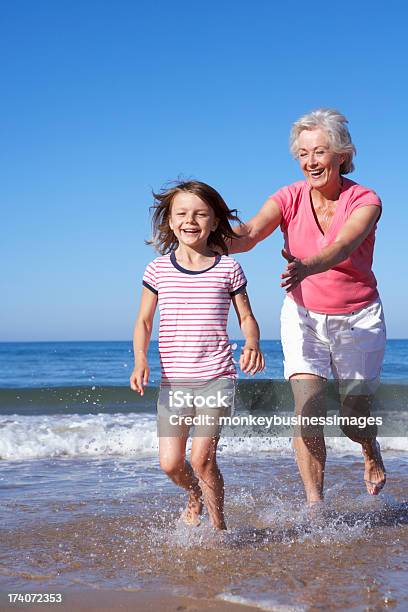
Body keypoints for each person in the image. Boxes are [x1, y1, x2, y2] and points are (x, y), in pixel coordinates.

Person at [229, 108, 386, 504]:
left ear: (340, 155)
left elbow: (344, 246)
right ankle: (316, 506)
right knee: (307, 410)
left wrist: (306, 266)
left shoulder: (365, 200)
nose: (310, 161)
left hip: (359, 318)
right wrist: (203, 231)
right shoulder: (287, 197)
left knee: (354, 416)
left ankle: (369, 450)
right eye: (302, 153)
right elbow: (247, 235)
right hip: (303, 316)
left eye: (319, 151)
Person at [130, 180, 265, 529]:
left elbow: (246, 317)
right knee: (171, 464)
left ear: (215, 221)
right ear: (170, 221)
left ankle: (219, 530)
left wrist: (252, 343)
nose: (191, 220)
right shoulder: (157, 269)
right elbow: (144, 321)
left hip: (217, 377)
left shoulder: (228, 268)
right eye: (182, 213)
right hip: (174, 382)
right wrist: (141, 359)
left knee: (202, 459)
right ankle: (194, 495)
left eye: (200, 214)